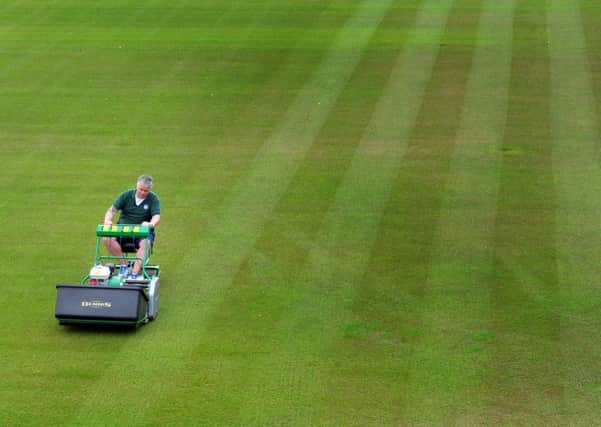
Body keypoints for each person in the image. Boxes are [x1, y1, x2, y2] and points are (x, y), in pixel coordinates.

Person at [102, 175, 161, 278]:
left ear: (150, 190)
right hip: (123, 229)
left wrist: (150, 224)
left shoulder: (153, 199)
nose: (143, 192)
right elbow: (112, 210)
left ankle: (134, 274)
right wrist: (108, 220)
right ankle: (124, 265)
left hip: (142, 232)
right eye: (141, 189)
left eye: (146, 191)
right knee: (106, 238)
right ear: (137, 186)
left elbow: (156, 216)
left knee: (145, 243)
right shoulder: (126, 195)